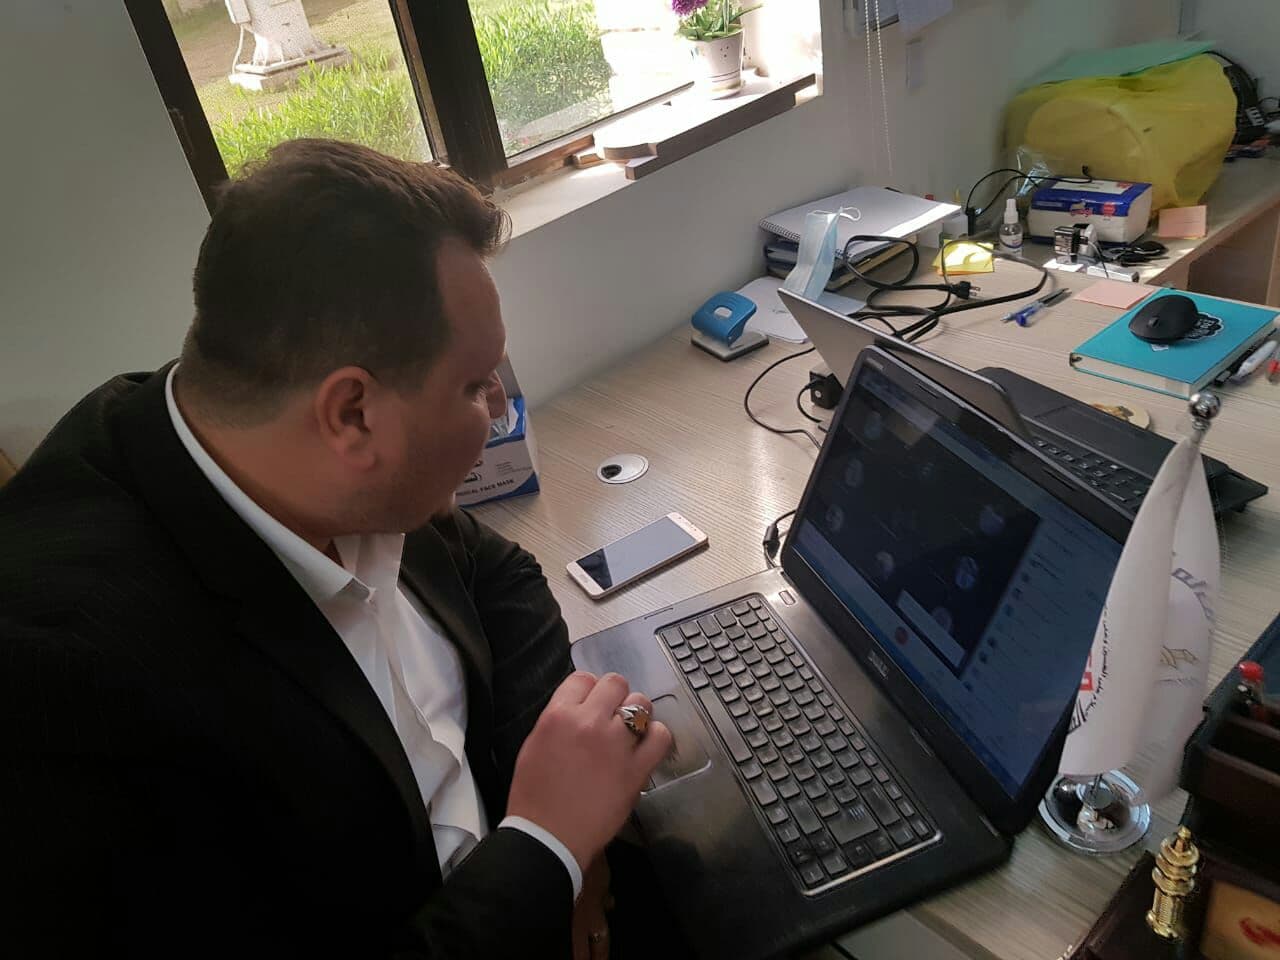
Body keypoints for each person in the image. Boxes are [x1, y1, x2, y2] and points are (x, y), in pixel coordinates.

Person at [0, 139, 673, 958]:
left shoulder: (273, 437)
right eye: (473, 385)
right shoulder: (61, 691)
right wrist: (545, 849)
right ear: (352, 413)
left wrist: (567, 821)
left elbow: (500, 574)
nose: (499, 410)